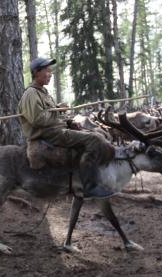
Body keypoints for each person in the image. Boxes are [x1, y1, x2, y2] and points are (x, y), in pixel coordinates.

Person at [18, 57, 116, 199]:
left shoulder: (43, 92)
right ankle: (89, 187)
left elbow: (52, 116)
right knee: (94, 140)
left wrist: (68, 121)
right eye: (47, 70)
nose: (50, 74)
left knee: (98, 133)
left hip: (55, 130)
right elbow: (37, 120)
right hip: (48, 134)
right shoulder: (31, 94)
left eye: (50, 71)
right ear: (36, 72)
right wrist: (58, 110)